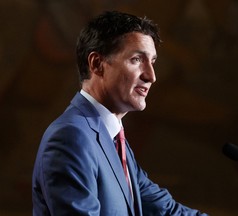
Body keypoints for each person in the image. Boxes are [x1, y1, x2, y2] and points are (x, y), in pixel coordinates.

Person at [32, 11, 209, 216]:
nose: (151, 76)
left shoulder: (113, 137)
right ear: (97, 64)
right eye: (136, 59)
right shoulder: (72, 137)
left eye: (152, 61)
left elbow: (166, 211)